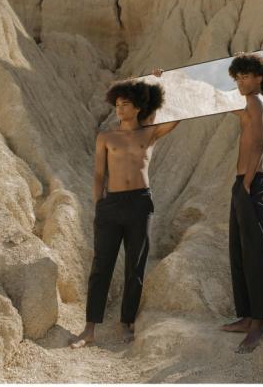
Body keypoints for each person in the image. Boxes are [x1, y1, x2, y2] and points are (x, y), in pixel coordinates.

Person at [69, 70, 179, 348]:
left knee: (135, 267)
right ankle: (89, 329)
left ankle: (126, 323)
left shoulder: (149, 133)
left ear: (139, 107)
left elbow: (177, 116)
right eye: (117, 104)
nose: (119, 108)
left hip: (140, 204)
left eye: (125, 104)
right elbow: (97, 174)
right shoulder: (106, 137)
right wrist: (98, 204)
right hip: (111, 205)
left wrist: (156, 81)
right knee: (101, 267)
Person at [219, 52, 263, 353]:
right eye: (237, 77)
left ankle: (258, 325)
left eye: (245, 76)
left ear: (259, 78)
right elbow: (214, 99)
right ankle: (246, 316)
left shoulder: (256, 101)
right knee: (239, 248)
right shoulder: (249, 104)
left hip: (251, 184)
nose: (240, 81)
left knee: (254, 253)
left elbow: (261, 143)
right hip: (244, 183)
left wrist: (248, 182)